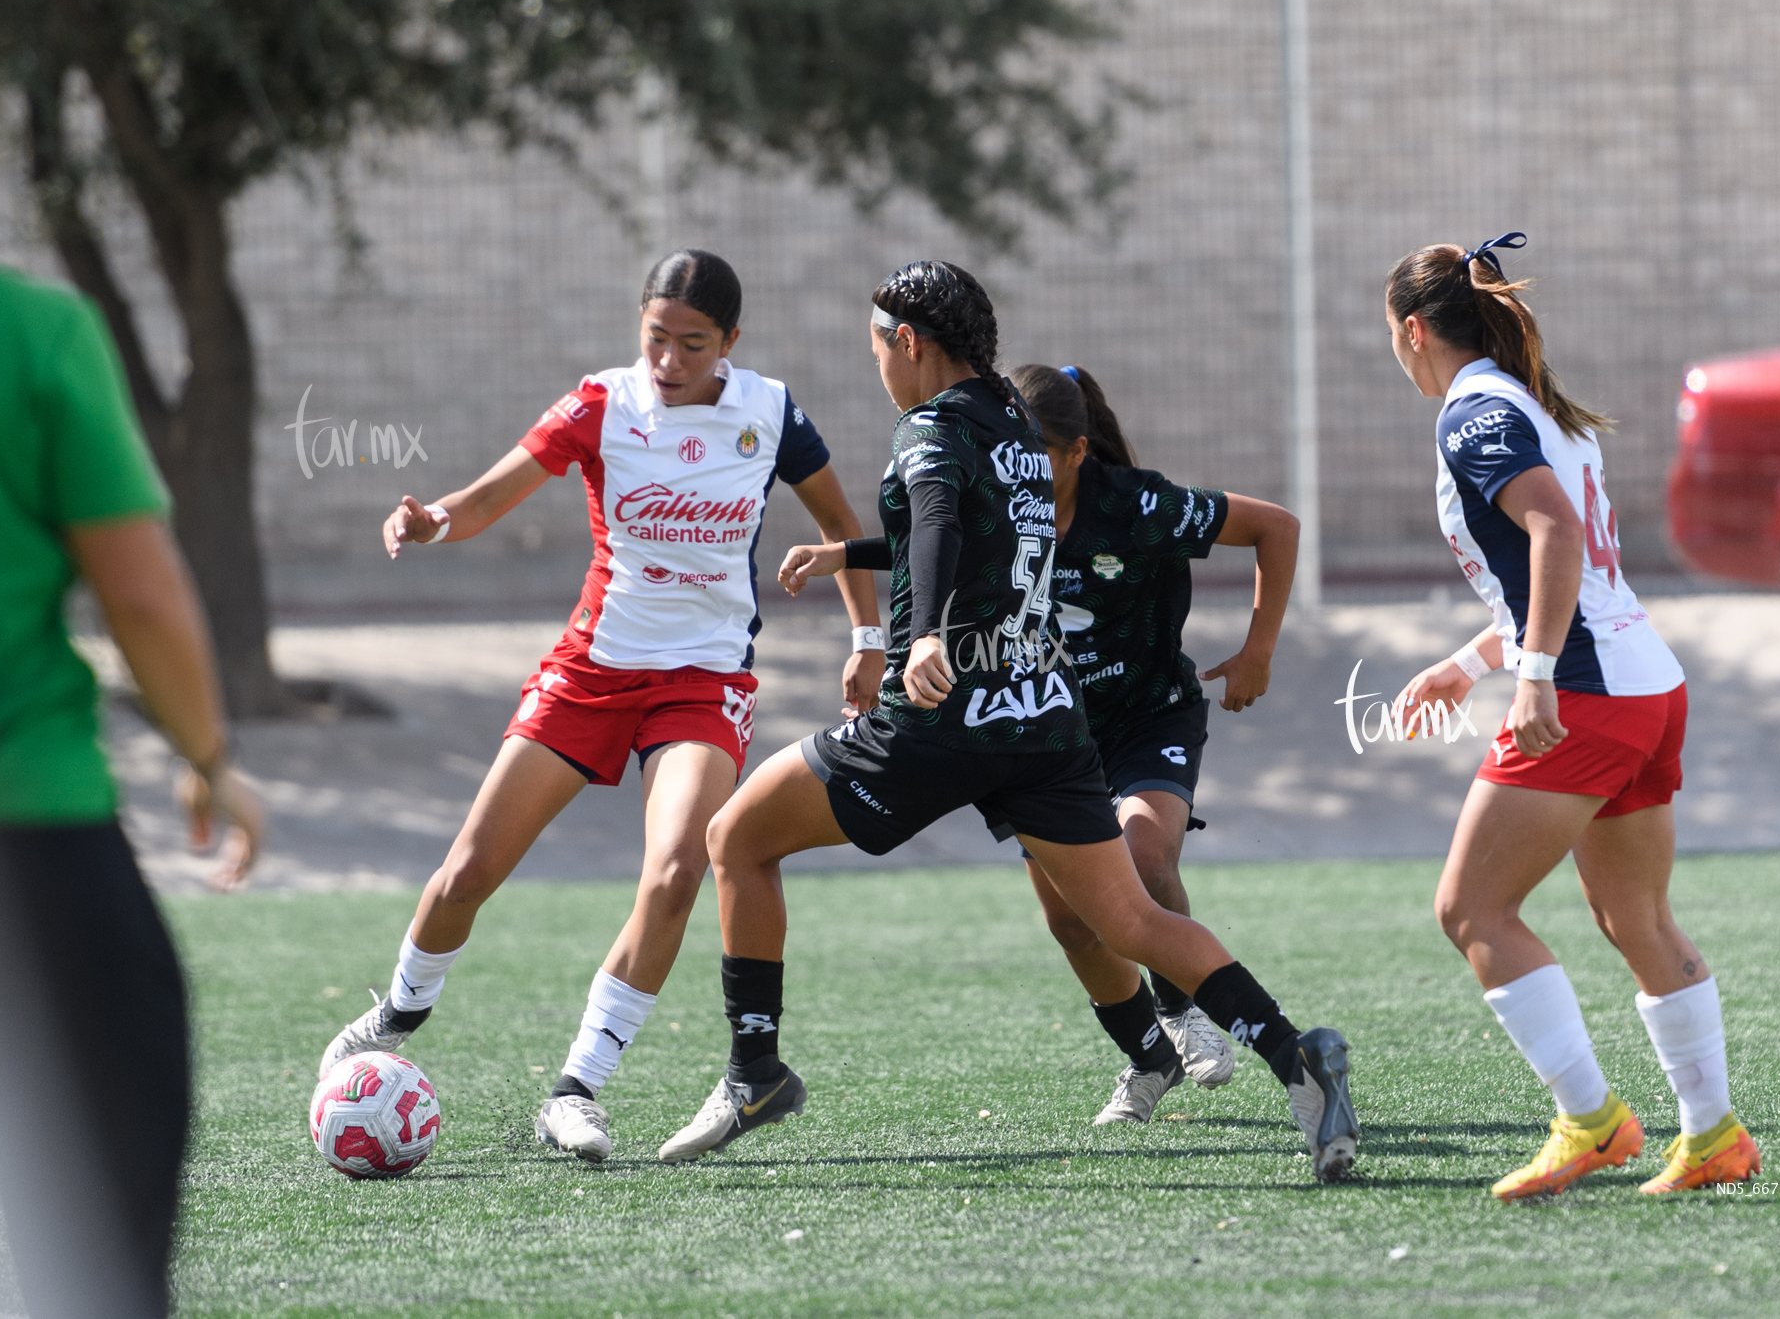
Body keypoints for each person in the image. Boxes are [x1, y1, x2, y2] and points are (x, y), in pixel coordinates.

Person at [657, 259, 1360, 1184]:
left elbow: (942, 518)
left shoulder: (929, 426)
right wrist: (857, 555)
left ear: (908, 344)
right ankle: (1295, 1059)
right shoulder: (1020, 427)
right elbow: (972, 530)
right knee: (1129, 917)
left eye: (875, 349)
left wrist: (925, 637)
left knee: (735, 837)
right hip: (1044, 718)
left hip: (941, 717)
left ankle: (755, 1070)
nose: (876, 368)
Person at [317, 250, 883, 1164]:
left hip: (703, 682)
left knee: (674, 873)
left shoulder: (770, 413)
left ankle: (574, 1090)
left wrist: (866, 644)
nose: (667, 359)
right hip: (590, 673)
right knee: (468, 868)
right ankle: (397, 1012)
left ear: (731, 343)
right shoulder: (600, 403)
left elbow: (843, 533)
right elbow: (492, 494)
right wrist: (432, 521)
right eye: (655, 337)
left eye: (692, 344)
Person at [1385, 232, 1758, 1199]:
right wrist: (1469, 663)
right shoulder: (1543, 405)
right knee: (1633, 913)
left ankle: (1591, 1122)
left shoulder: (1473, 413)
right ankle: (1712, 1134)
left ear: (1414, 329)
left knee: (1472, 909)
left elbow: (1551, 533)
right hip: (1647, 685)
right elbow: (1571, 567)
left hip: (1587, 691)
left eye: (1391, 333)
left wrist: (1535, 675)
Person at [0, 259, 267, 1318]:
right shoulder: (26, 330)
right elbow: (138, 590)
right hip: (20, 837)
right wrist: (208, 758)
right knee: (97, 1237)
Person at [998, 363, 1301, 1124]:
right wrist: (843, 560)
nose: (1018, 473)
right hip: (1043, 726)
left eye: (1035, 455)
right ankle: (1148, 1058)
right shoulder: (997, 506)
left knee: (1143, 857)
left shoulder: (1138, 505)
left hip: (1149, 716)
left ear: (1077, 453)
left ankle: (1183, 1005)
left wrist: (1258, 648)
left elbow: (1276, 526)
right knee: (1071, 918)